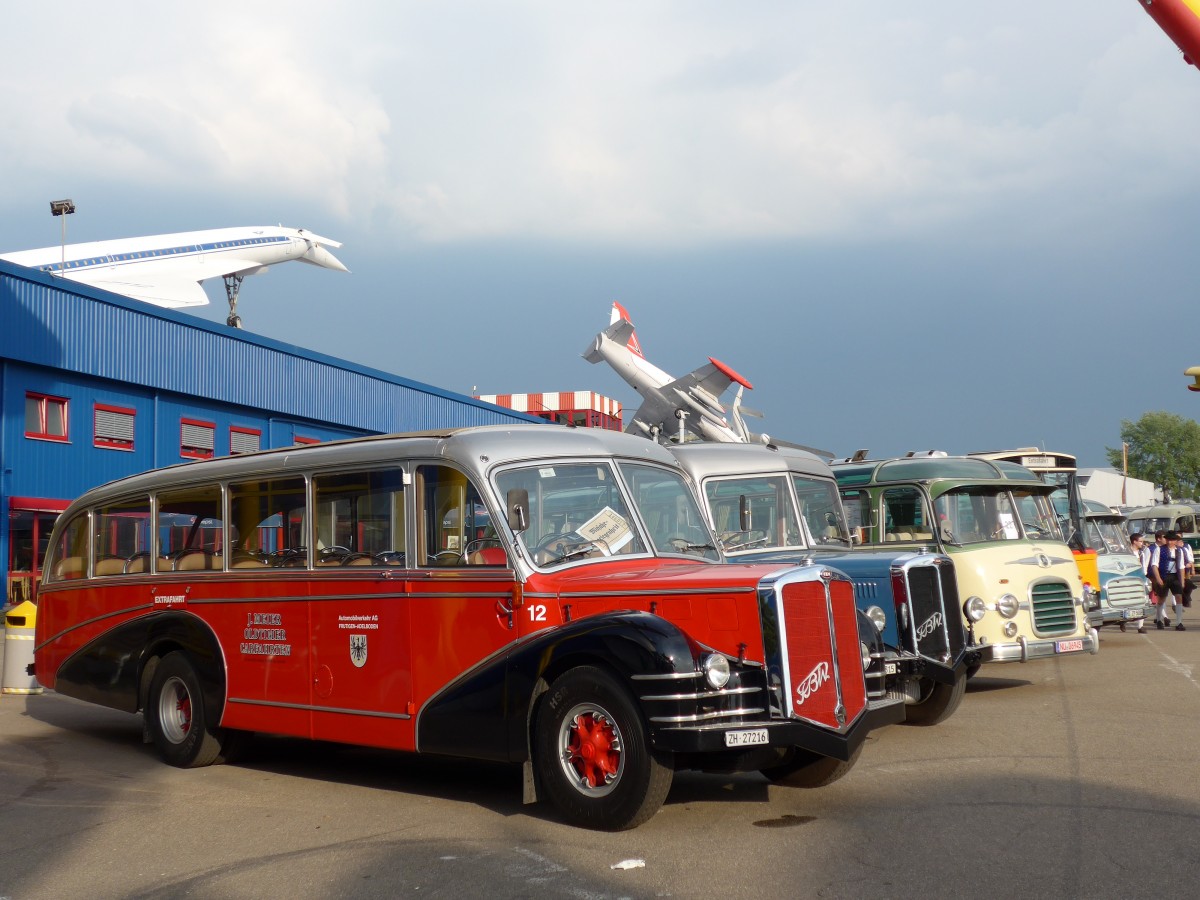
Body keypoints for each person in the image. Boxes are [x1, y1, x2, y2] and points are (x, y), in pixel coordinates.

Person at [1151, 530, 1187, 631]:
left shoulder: (1179, 551)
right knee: (1161, 599)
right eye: (1168, 539)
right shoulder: (1159, 549)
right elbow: (1154, 565)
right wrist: (1158, 578)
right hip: (1163, 576)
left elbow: (1181, 567)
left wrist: (1182, 581)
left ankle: (1179, 622)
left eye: (1172, 540)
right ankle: (1158, 620)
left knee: (1179, 597)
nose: (1169, 542)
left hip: (1175, 576)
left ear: (1175, 541)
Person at [1126, 532, 1150, 634]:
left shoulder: (1142, 552)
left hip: (1140, 578)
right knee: (1128, 602)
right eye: (1140, 541)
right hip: (1129, 578)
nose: (1142, 543)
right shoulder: (1126, 553)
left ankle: (1141, 626)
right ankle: (1123, 621)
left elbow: (1145, 565)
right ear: (1134, 542)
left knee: (1143, 600)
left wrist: (1144, 576)